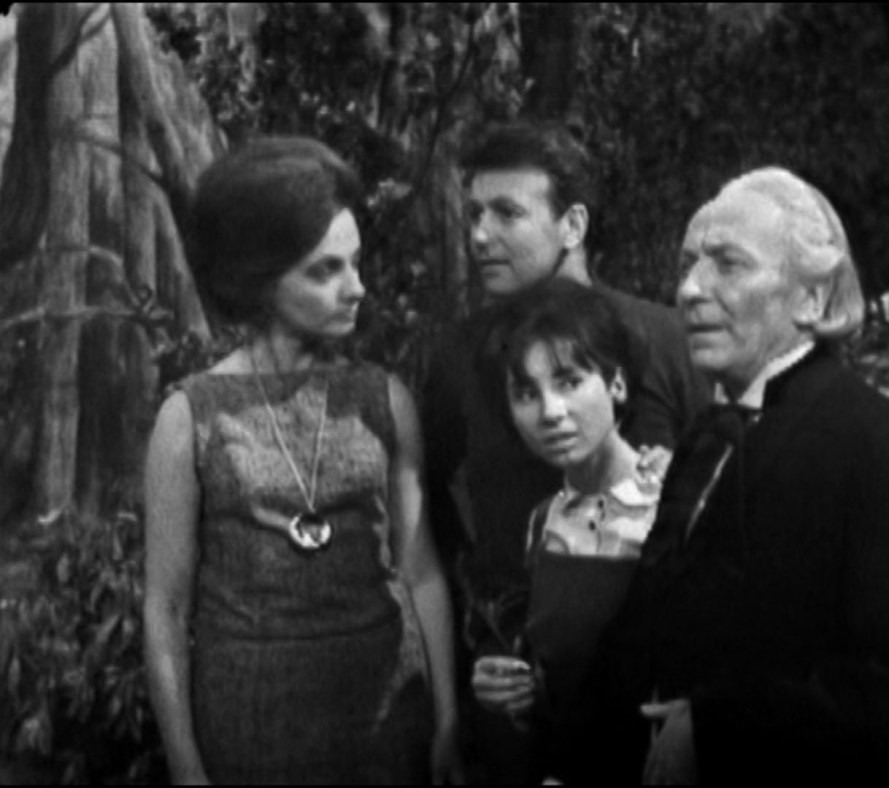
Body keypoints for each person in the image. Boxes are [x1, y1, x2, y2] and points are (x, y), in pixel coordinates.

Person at [583, 166, 889, 783]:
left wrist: (720, 731)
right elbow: (646, 635)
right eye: (688, 265)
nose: (689, 289)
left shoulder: (887, 449)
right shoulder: (706, 438)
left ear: (812, 299)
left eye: (728, 264)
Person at [143, 136, 461, 785]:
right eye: (325, 271)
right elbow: (166, 607)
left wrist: (448, 720)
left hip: (385, 723)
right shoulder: (191, 418)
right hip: (249, 731)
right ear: (260, 280)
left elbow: (421, 570)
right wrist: (186, 767)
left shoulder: (383, 400)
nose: (356, 289)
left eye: (356, 263)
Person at [420, 120, 706, 782]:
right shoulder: (459, 358)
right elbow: (439, 532)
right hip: (512, 701)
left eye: (507, 213)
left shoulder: (666, 340)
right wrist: (463, 690)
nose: (480, 235)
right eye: (474, 214)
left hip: (650, 710)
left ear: (573, 224)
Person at [470, 279, 668, 782]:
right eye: (526, 394)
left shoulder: (672, 507)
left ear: (616, 383)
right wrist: (510, 689)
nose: (551, 412)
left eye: (569, 382)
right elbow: (560, 684)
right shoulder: (545, 521)